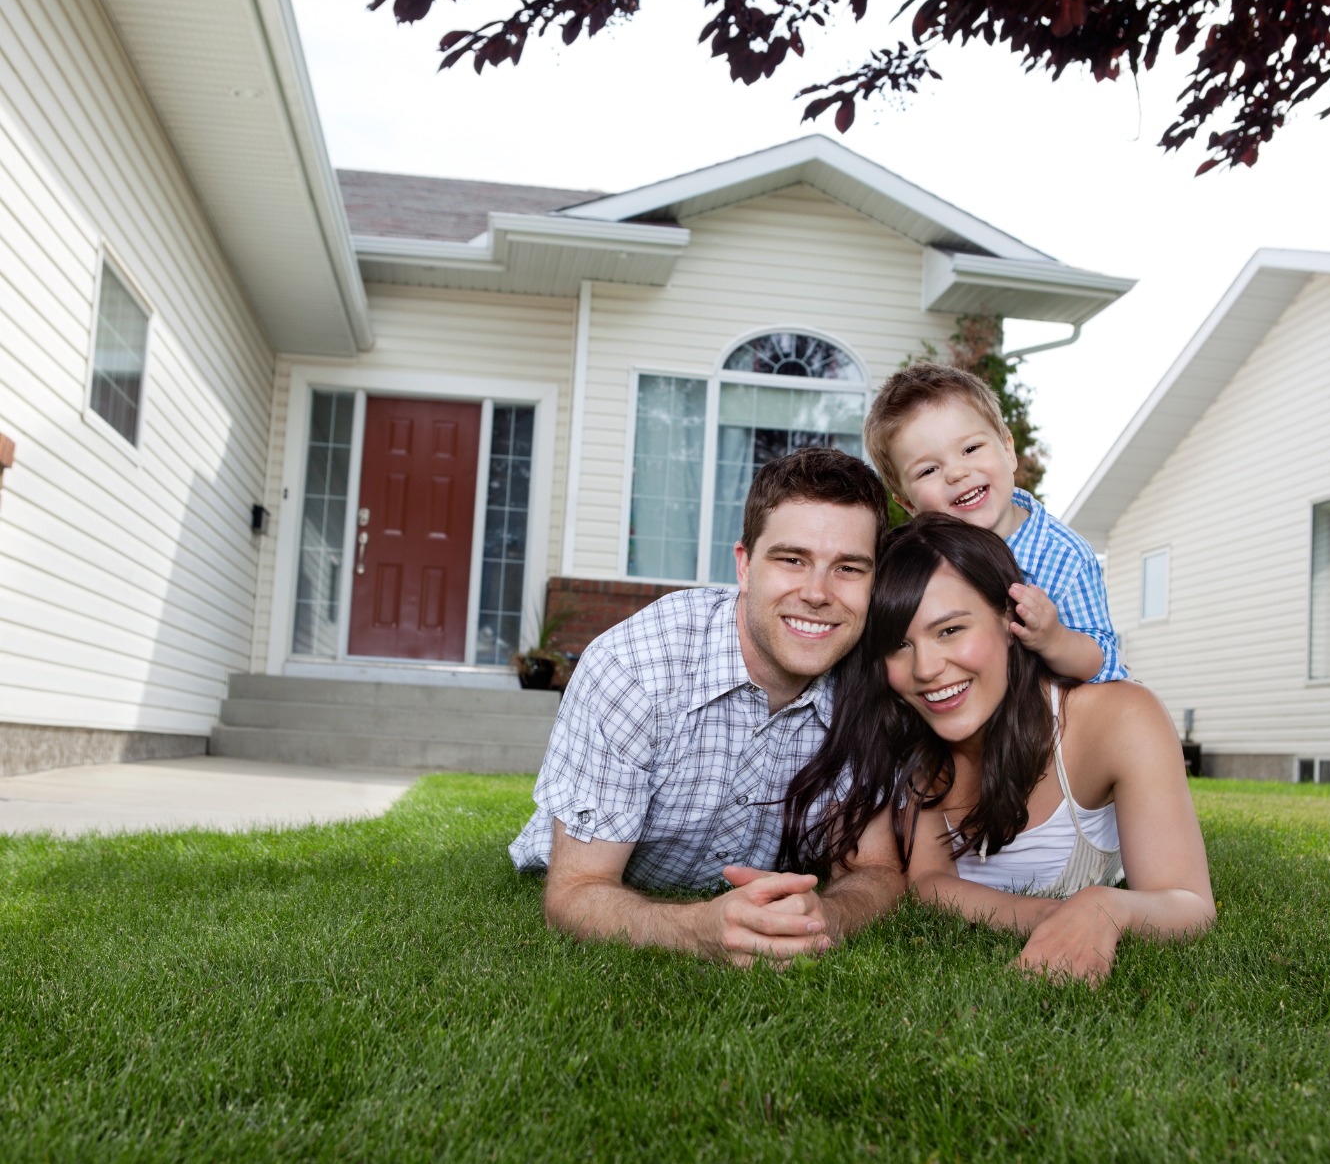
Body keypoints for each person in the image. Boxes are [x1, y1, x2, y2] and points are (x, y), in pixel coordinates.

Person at [509, 447, 907, 965]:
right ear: (744, 565)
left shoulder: (869, 682)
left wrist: (824, 916)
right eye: (792, 559)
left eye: (849, 568)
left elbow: (876, 872)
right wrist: (698, 928)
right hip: (600, 863)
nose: (817, 593)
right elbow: (576, 892)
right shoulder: (634, 668)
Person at [781, 514, 1214, 981]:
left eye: (950, 630)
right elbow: (930, 883)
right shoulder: (904, 735)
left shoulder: (1118, 717)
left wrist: (1104, 906)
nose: (926, 668)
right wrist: (1048, 917)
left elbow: (1189, 903)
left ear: (1010, 619)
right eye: (899, 644)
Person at [864, 362, 1125, 683]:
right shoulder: (915, 567)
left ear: (1008, 450)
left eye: (971, 449)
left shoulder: (1064, 558)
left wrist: (1055, 639)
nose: (957, 472)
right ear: (907, 504)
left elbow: (1105, 664)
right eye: (928, 470)